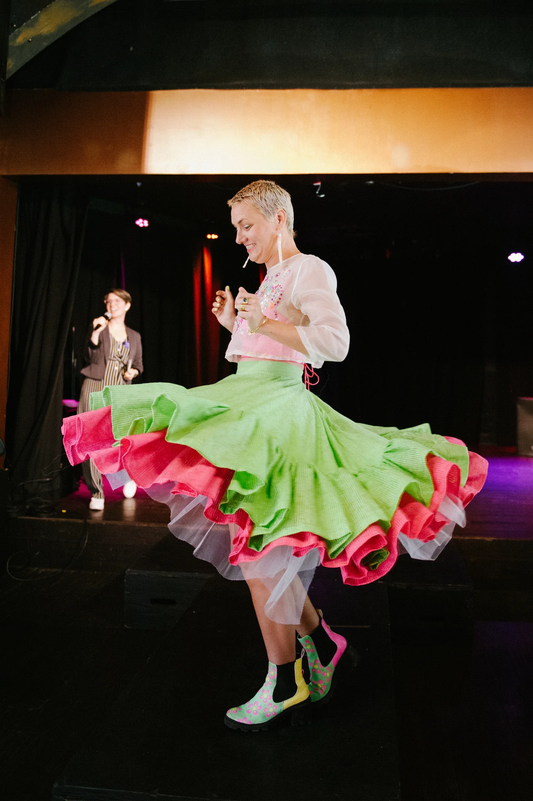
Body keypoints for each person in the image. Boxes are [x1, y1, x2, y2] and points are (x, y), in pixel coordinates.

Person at [63, 181, 488, 731]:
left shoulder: (310, 269)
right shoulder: (270, 278)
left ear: (279, 219)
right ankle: (320, 647)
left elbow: (334, 343)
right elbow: (265, 348)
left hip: (279, 409)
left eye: (247, 226)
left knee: (260, 548)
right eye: (236, 228)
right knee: (261, 545)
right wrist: (235, 324)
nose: (240, 237)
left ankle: (287, 680)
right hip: (249, 398)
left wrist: (262, 322)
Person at [78, 288, 143, 510]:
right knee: (91, 439)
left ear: (127, 305)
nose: (112, 305)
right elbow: (89, 355)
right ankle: (96, 492)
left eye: (117, 301)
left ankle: (126, 476)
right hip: (95, 387)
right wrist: (95, 333)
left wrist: (133, 372)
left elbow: (139, 364)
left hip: (120, 390)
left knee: (120, 438)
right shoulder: (99, 328)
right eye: (108, 301)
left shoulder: (134, 336)